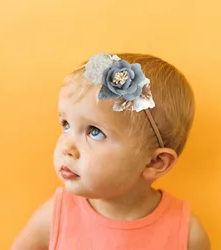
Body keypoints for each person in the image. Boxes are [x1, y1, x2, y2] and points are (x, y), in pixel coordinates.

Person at [11, 53, 210, 250]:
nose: (67, 148)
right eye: (66, 125)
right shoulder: (56, 215)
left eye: (95, 132)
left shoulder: (187, 235)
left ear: (154, 162)